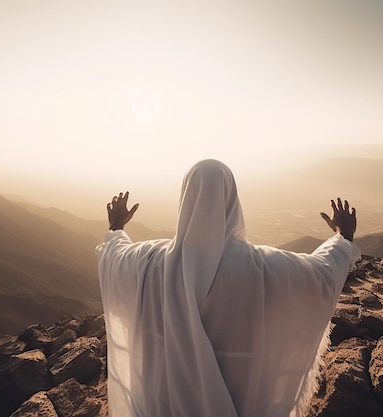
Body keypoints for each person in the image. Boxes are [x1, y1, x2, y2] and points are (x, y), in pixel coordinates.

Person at [96, 159, 360, 417]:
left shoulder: (149, 260)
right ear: (231, 200)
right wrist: (343, 235)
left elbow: (115, 256)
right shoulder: (261, 266)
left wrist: (116, 225)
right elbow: (321, 275)